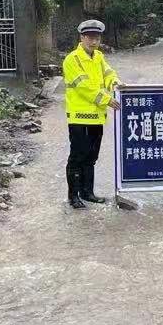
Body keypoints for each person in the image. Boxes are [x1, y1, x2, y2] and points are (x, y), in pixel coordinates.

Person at [62, 19, 120, 209]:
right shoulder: (72, 59)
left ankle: (88, 192)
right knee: (77, 156)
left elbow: (109, 74)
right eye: (90, 37)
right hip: (79, 117)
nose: (93, 41)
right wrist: (107, 100)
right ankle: (73, 196)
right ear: (82, 37)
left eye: (96, 38)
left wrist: (116, 84)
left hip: (97, 117)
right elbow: (83, 87)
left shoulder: (99, 57)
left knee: (91, 157)